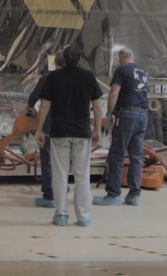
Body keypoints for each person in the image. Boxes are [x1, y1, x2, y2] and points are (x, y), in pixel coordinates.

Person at [34, 44, 104, 227]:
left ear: (63, 59)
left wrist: (39, 130)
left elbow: (45, 106)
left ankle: (61, 215)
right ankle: (83, 217)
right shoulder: (88, 77)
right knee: (82, 175)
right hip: (82, 132)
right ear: (80, 59)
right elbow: (97, 106)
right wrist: (97, 129)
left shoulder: (54, 77)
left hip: (59, 132)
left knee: (60, 173)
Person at [94, 47, 149, 206]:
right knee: (136, 156)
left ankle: (113, 194)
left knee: (117, 154)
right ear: (133, 56)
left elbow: (113, 93)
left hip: (127, 115)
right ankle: (134, 195)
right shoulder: (142, 72)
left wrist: (110, 113)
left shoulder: (122, 70)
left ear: (120, 58)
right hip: (143, 115)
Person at [28, 51, 66, 208]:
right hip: (69, 127)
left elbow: (35, 98)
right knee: (64, 161)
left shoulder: (48, 78)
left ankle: (50, 196)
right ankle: (62, 192)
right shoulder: (77, 77)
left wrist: (30, 109)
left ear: (54, 63)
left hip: (50, 125)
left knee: (48, 160)